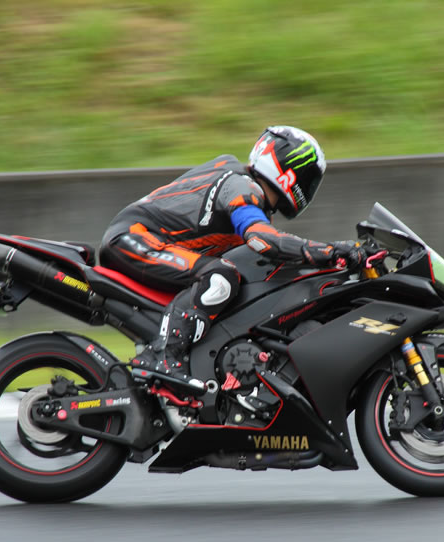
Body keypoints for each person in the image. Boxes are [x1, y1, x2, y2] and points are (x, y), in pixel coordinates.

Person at [99, 125, 366, 387]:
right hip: (133, 237)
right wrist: (328, 251)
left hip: (149, 242)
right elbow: (263, 240)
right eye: (308, 179)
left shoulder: (249, 193)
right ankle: (162, 356)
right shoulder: (242, 187)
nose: (309, 188)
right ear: (288, 170)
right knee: (221, 276)